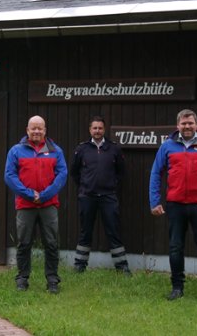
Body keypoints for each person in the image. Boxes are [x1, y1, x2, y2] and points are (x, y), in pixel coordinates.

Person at [149, 109, 197, 304]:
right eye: (183, 124)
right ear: (178, 126)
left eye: (190, 123)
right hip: (175, 205)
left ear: (196, 124)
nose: (187, 126)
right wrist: (154, 201)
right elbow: (155, 173)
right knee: (176, 248)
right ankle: (177, 288)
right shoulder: (167, 146)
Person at [4, 115, 68, 294]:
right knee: (24, 243)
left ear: (45, 130)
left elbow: (62, 175)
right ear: (27, 130)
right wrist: (30, 194)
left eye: (40, 128)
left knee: (52, 243)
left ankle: (53, 280)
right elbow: (9, 176)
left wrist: (45, 195)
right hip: (25, 205)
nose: (37, 131)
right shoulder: (16, 151)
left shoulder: (56, 151)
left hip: (48, 204)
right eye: (33, 128)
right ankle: (22, 279)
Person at [70, 116, 130, 275]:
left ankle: (122, 267)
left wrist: (111, 185)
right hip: (87, 196)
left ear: (104, 130)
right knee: (85, 231)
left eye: (100, 128)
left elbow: (121, 172)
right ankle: (79, 266)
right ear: (90, 130)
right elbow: (74, 172)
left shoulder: (114, 148)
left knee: (113, 230)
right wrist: (85, 186)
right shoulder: (81, 149)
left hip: (108, 196)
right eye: (94, 128)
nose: (97, 131)